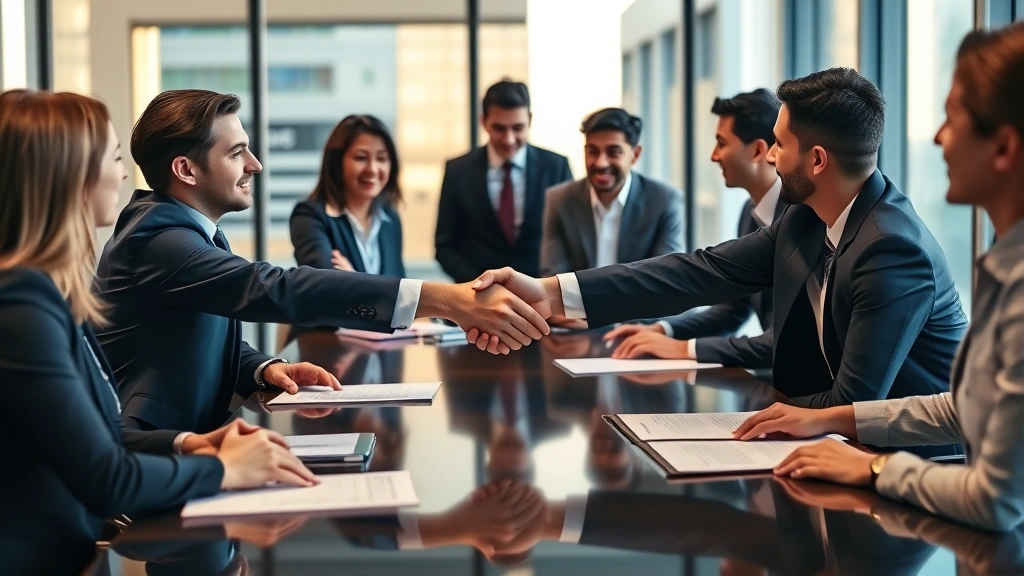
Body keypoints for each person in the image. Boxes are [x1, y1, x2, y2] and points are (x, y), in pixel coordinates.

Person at [467, 68, 968, 457]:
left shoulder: (892, 250)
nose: (770, 156)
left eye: (780, 144)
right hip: (835, 444)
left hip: (912, 468)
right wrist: (551, 292)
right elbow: (701, 270)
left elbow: (851, 403)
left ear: (817, 161)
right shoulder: (807, 217)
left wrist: (743, 418)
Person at [93, 89, 549, 434]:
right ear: (186, 170)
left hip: (197, 443)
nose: (255, 164)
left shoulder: (188, 229)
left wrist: (261, 369)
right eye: (236, 153)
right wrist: (444, 299)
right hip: (150, 454)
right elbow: (275, 288)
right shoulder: (158, 238)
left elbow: (194, 333)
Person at [0, 89, 318, 574]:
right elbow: (107, 477)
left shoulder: (45, 291)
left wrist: (192, 444)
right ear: (67, 177)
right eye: (112, 158)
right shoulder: (21, 304)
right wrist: (224, 468)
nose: (125, 174)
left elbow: (101, 437)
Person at [731, 22, 1024, 532]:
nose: (937, 137)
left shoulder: (900, 245)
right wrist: (827, 419)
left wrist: (874, 466)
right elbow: (968, 407)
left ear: (1002, 148)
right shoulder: (1005, 262)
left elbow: (998, 500)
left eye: (952, 118)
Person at [605, 89, 785, 368]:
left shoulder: (800, 219)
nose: (714, 156)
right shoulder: (750, 214)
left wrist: (683, 349)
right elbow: (736, 307)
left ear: (758, 150)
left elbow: (783, 343)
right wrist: (665, 331)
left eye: (721, 143)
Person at [435, 79, 573, 282]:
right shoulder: (458, 171)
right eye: (499, 128)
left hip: (543, 296)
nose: (509, 139)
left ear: (530, 120)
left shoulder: (556, 167)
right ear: (483, 122)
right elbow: (445, 246)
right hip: (477, 299)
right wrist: (479, 286)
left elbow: (569, 239)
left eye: (518, 128)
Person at [540, 107, 684, 276]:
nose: (601, 163)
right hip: (576, 303)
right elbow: (554, 277)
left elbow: (667, 278)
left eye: (613, 152)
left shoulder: (664, 200)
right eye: (592, 151)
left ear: (635, 155)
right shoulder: (559, 199)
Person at [290, 114, 405, 277]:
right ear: (337, 161)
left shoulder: (390, 218)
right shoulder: (309, 216)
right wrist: (387, 292)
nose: (372, 169)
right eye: (361, 157)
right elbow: (329, 286)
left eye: (382, 158)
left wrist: (354, 277)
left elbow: (403, 290)